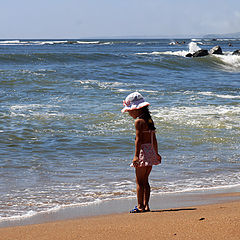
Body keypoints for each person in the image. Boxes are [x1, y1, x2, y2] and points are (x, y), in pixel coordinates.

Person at [121, 92, 161, 213]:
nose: (129, 113)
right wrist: (156, 153)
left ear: (136, 109)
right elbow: (154, 139)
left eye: (130, 111)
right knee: (146, 181)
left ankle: (139, 206)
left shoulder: (138, 122)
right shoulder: (149, 120)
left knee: (139, 181)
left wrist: (136, 156)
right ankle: (146, 205)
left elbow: (138, 141)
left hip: (143, 153)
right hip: (151, 153)